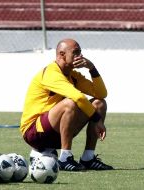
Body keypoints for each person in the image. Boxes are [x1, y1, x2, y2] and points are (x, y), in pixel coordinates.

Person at [20, 38, 113, 171]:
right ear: (62, 54)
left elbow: (101, 93)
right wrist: (97, 120)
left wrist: (92, 68)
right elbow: (78, 97)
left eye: (80, 52)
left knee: (99, 104)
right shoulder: (51, 73)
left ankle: (88, 158)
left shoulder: (72, 75)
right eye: (76, 52)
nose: (80, 56)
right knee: (70, 103)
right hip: (34, 132)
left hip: (56, 132)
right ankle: (65, 158)